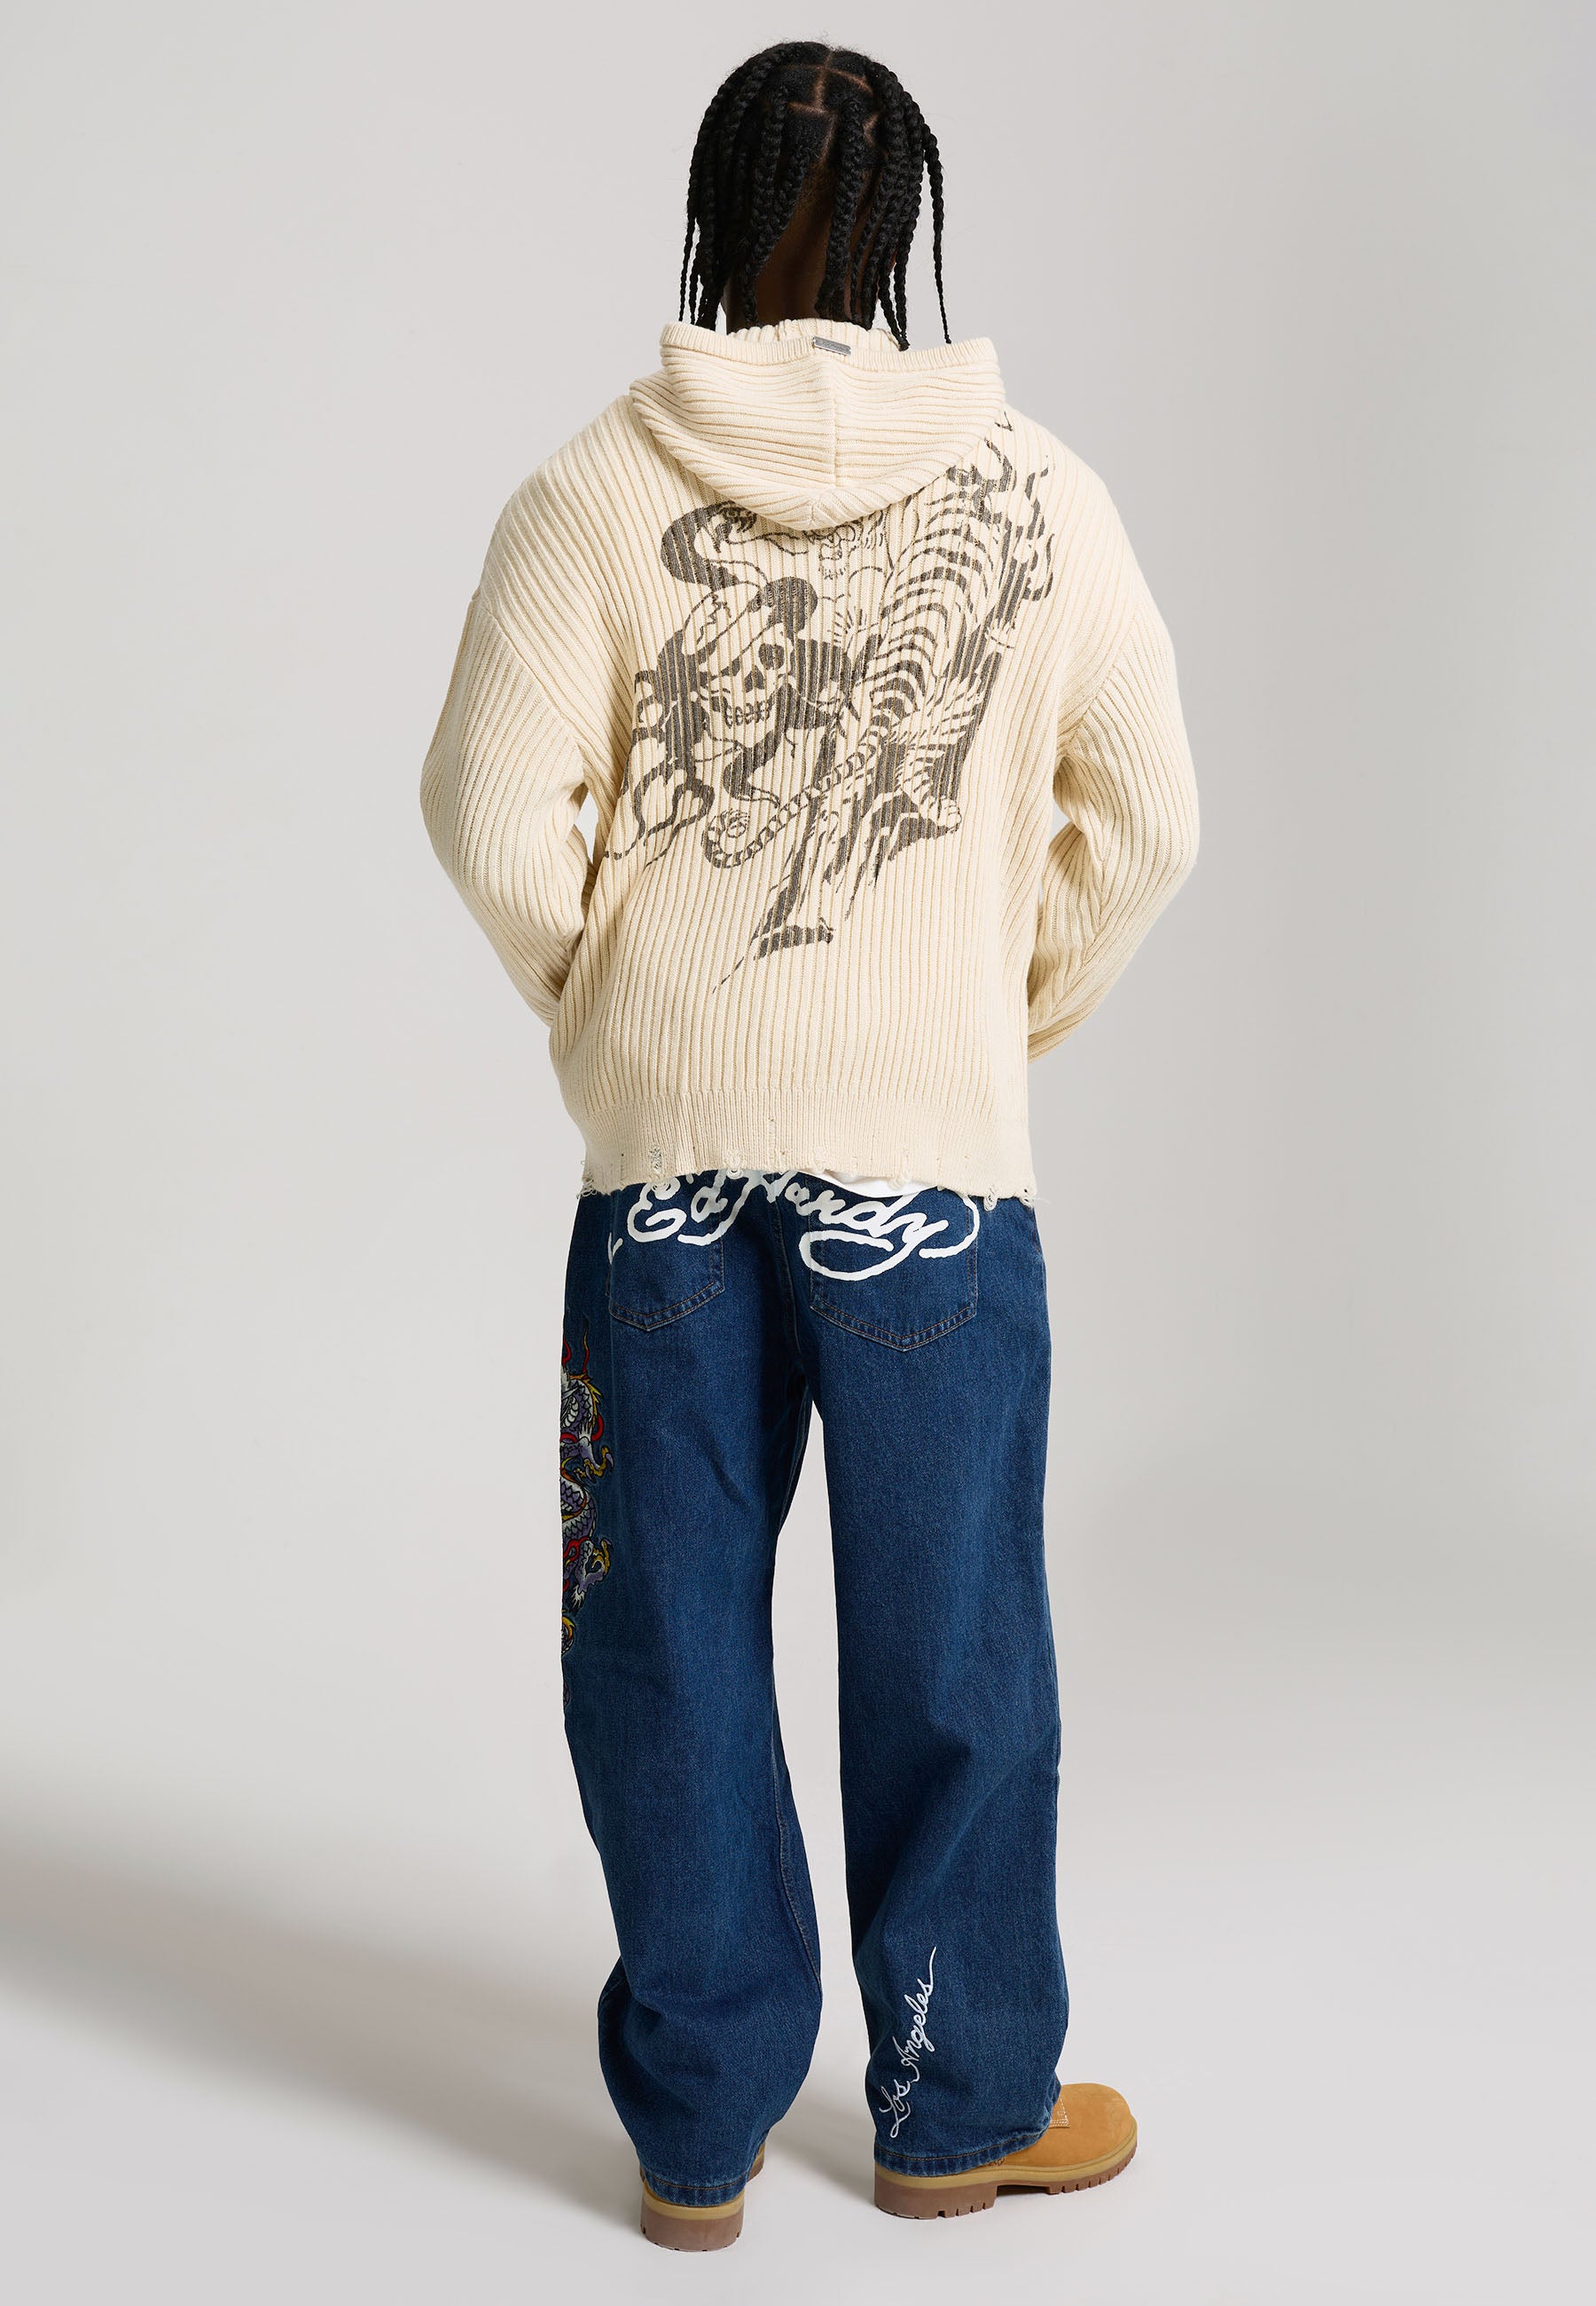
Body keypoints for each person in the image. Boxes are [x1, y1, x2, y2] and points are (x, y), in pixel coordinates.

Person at [420, 39, 1199, 2252]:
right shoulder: (1042, 496)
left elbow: (487, 812)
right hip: (931, 1176)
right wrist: (984, 1016)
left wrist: (617, 1009)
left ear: (710, 212)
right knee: (954, 1641)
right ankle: (958, 2106)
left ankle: (698, 2128)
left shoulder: (590, 489)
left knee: (660, 1634)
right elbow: (1151, 819)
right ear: (901, 231)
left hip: (664, 1177)